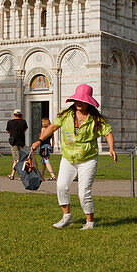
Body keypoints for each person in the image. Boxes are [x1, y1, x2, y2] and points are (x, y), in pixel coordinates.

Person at [30, 84, 116, 230]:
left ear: (88, 102)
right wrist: (39, 140)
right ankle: (67, 217)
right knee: (61, 186)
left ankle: (89, 222)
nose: (78, 102)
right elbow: (52, 127)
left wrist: (111, 147)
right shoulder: (65, 114)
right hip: (68, 158)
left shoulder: (95, 119)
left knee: (83, 192)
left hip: (88, 160)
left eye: (81, 100)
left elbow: (107, 132)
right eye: (76, 99)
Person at [6, 109, 28, 180]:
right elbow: (25, 129)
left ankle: (20, 175)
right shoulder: (23, 122)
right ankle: (12, 174)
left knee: (16, 159)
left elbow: (7, 130)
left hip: (13, 142)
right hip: (21, 142)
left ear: (14, 115)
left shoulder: (10, 122)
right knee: (19, 159)